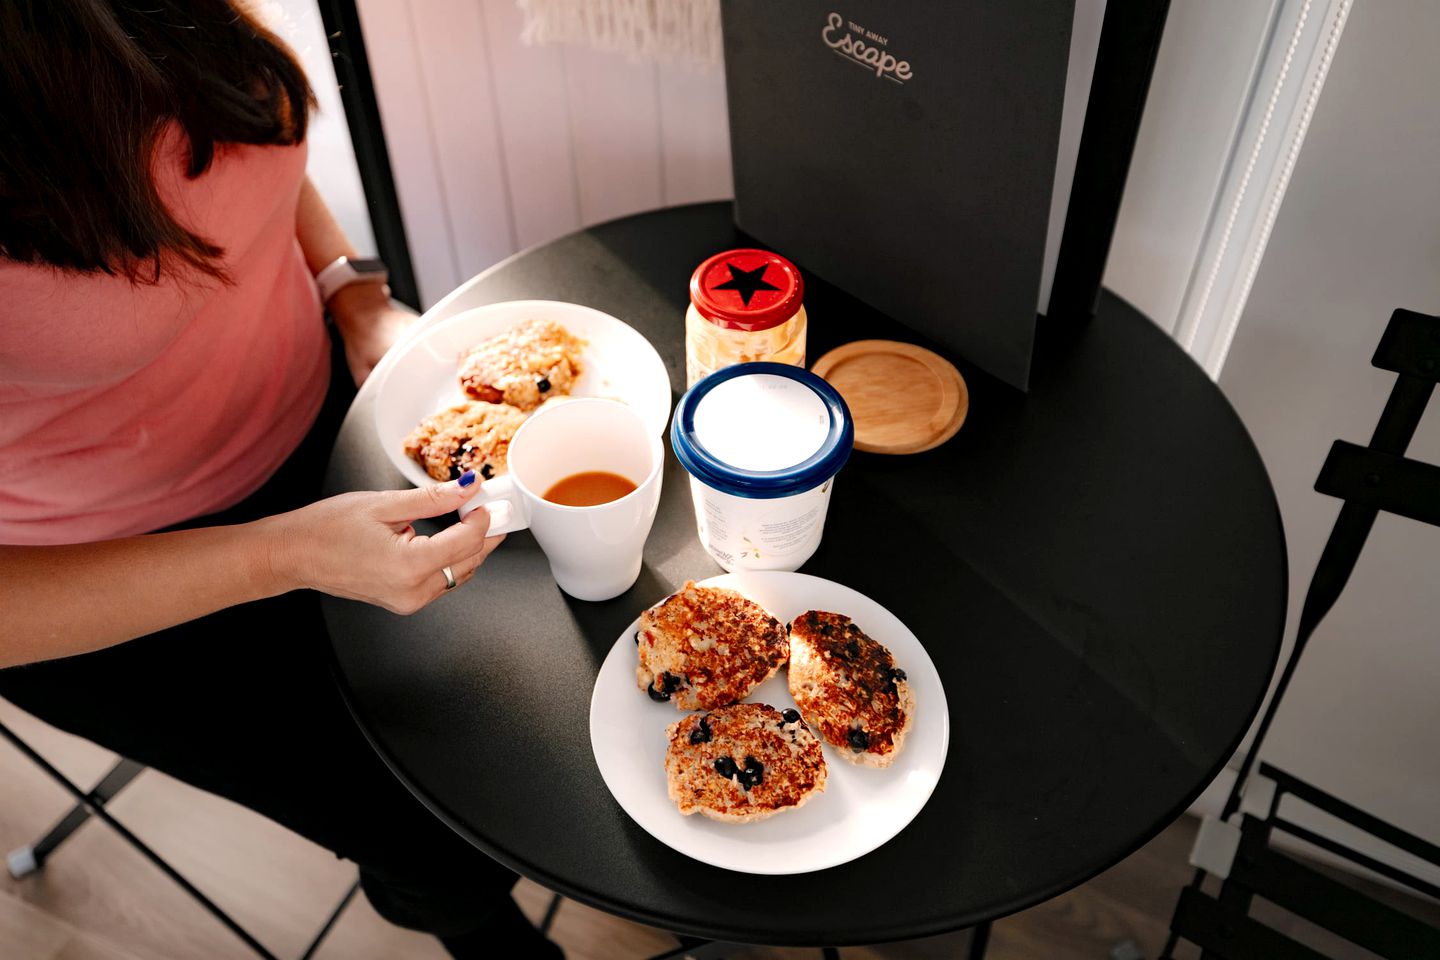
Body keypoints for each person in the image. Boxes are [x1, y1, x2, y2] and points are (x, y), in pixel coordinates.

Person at [0, 2, 563, 956]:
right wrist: (281, 558)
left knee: (533, 702)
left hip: (324, 429)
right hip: (112, 588)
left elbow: (240, 147)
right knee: (436, 838)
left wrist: (354, 297)